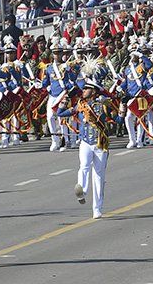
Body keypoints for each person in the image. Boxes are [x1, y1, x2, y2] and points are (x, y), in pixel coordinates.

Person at [56, 73, 115, 218]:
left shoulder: (103, 104)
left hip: (100, 143)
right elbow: (60, 113)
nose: (83, 91)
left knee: (99, 176)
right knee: (84, 166)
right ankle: (82, 190)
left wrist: (121, 109)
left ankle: (97, 208)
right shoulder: (80, 105)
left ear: (93, 91)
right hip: (85, 142)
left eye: (86, 89)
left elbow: (117, 119)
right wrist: (65, 100)